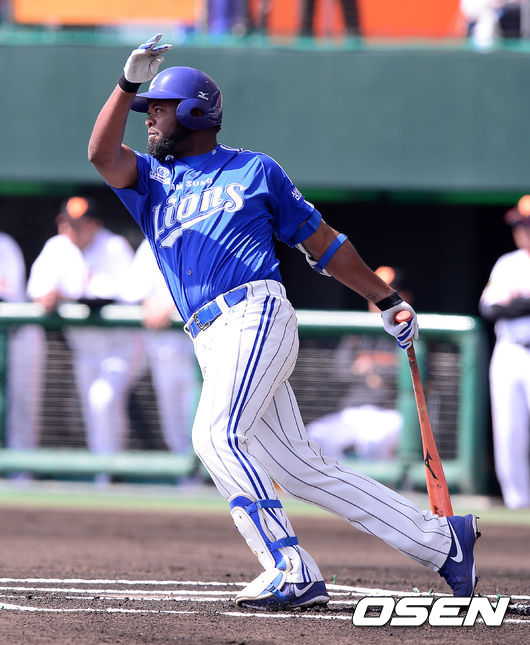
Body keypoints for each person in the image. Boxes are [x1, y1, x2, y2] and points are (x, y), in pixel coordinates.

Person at [88, 33, 480, 609]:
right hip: (209, 336)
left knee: (215, 435)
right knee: (297, 468)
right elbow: (101, 155)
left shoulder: (253, 170)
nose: (149, 118)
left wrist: (384, 297)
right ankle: (442, 541)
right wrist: (127, 85)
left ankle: (288, 566)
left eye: (161, 108)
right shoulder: (151, 181)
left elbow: (325, 244)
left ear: (195, 112)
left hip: (254, 313)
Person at [27, 196, 143, 475]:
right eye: (66, 223)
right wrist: (49, 296)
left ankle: (112, 472)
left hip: (121, 347)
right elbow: (36, 290)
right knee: (94, 410)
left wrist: (65, 294)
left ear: (94, 225)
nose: (71, 229)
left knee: (102, 400)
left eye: (79, 224)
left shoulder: (113, 246)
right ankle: (106, 475)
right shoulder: (57, 247)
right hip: (84, 349)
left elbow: (121, 294)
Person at [306, 266, 411, 462]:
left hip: (391, 414)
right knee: (315, 436)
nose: (379, 301)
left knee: (372, 442)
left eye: (387, 293)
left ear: (405, 296)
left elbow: (408, 378)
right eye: (374, 293)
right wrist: (377, 375)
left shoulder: (410, 333)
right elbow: (339, 372)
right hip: (352, 414)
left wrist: (368, 370)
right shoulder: (357, 333)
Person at [479, 195, 530, 510]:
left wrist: (515, 302)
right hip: (510, 350)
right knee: (508, 431)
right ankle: (518, 503)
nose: (522, 230)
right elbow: (489, 308)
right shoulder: (507, 263)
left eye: (527, 224)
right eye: (519, 225)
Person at [125, 238, 197, 456]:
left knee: (207, 420)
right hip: (165, 349)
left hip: (204, 348)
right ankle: (188, 473)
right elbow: (134, 291)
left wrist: (172, 306)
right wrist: (149, 302)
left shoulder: (203, 231)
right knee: (174, 424)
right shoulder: (151, 239)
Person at [0, 232, 45, 458]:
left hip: (17, 337)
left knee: (21, 411)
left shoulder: (4, 245)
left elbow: (5, 296)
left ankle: (21, 473)